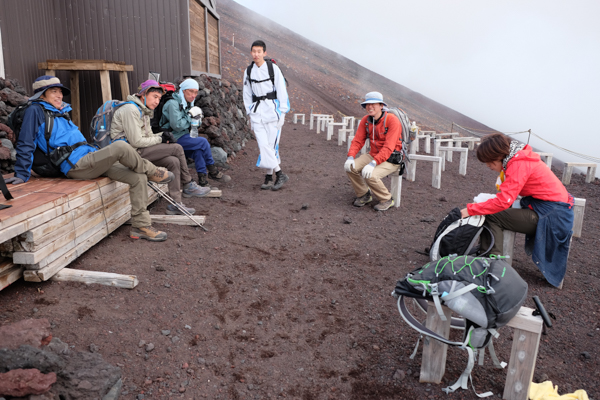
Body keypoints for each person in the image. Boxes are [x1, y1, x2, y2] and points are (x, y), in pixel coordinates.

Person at [9, 75, 174, 242]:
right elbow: (25, 142)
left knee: (137, 177)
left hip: (88, 156)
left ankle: (140, 226)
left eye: (60, 91)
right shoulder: (35, 111)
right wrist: (21, 174)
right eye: (54, 92)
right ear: (41, 95)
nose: (59, 95)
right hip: (75, 165)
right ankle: (153, 172)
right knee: (121, 146)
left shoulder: (60, 111)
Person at [460, 133, 574, 287]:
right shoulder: (519, 158)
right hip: (551, 209)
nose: (488, 166)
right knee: (491, 210)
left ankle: (490, 264)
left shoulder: (518, 163)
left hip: (552, 216)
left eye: (489, 162)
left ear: (499, 155)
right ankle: (488, 256)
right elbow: (506, 196)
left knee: (492, 215)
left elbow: (504, 202)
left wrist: (471, 210)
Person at [110, 80, 210, 215]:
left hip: (137, 151)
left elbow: (149, 136)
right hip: (127, 154)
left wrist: (163, 135)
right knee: (177, 148)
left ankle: (176, 203)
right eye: (154, 97)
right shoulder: (130, 110)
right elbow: (136, 141)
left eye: (159, 98)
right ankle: (188, 183)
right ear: (143, 94)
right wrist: (160, 139)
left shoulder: (144, 111)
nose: (157, 101)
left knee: (173, 161)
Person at [159, 78, 231, 187]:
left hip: (181, 136)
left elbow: (192, 125)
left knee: (198, 150)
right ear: (183, 91)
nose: (193, 95)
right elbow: (177, 126)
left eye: (196, 92)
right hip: (171, 138)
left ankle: (203, 181)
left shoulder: (187, 104)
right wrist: (190, 118)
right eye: (191, 91)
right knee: (202, 142)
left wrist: (196, 120)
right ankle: (213, 171)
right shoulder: (172, 104)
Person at [242, 39, 290, 191]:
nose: (256, 54)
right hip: (257, 113)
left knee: (270, 146)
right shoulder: (248, 71)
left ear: (264, 53)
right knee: (264, 146)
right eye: (254, 51)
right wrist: (249, 112)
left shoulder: (273, 68)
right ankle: (279, 173)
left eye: (259, 51)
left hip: (272, 112)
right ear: (251, 52)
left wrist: (283, 112)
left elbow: (281, 90)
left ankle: (269, 177)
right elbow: (247, 94)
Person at [345, 92, 403, 211]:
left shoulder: (392, 120)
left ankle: (386, 199)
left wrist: (373, 163)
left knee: (370, 175)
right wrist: (350, 156)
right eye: (367, 104)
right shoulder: (366, 120)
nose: (370, 107)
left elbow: (389, 147)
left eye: (373, 104)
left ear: (381, 105)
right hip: (374, 155)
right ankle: (364, 195)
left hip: (391, 158)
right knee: (351, 167)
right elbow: (357, 140)